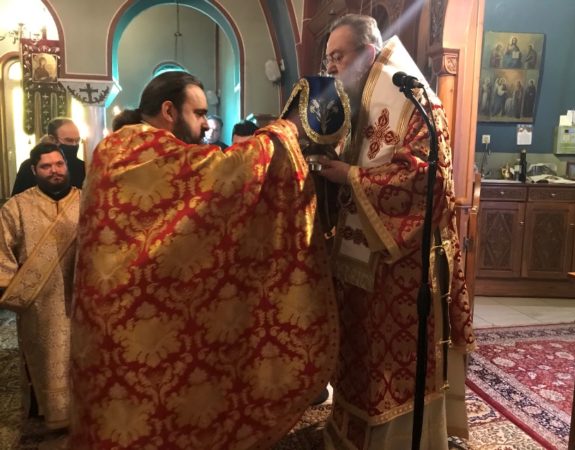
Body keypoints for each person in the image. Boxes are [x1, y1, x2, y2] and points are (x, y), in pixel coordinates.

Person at [69, 71, 346, 449]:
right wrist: (283, 132)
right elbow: (224, 172)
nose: (205, 124)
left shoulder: (113, 149)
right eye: (198, 113)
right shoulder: (144, 150)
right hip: (131, 323)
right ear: (169, 110)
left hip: (120, 323)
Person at [318, 14, 474, 449]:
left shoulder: (415, 100)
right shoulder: (359, 101)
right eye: (328, 58)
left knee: (394, 364)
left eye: (338, 56)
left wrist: (350, 176)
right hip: (362, 259)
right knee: (360, 355)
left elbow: (427, 182)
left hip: (402, 266)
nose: (331, 67)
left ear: (368, 53)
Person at [0, 142, 80, 432]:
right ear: (34, 170)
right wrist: (15, 291)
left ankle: (84, 413)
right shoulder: (17, 207)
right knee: (43, 360)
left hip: (81, 301)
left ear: (66, 166)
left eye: (59, 164)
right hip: (39, 304)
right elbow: (2, 252)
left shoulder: (87, 201)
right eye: (46, 166)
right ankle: (46, 413)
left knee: (80, 358)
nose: (54, 171)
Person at [12, 117, 85, 195]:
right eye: (69, 140)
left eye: (77, 140)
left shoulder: (83, 167)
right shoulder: (29, 166)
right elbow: (18, 199)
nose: (74, 145)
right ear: (52, 139)